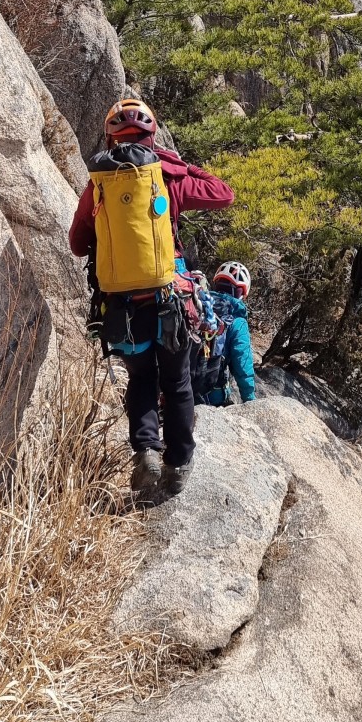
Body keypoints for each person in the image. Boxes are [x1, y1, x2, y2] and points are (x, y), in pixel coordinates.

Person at [69, 96, 235, 499]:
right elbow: (223, 193)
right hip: (169, 299)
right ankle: (178, 465)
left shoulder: (99, 184)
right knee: (177, 381)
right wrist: (177, 162)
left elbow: (77, 244)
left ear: (110, 138)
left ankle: (146, 450)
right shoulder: (167, 176)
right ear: (152, 135)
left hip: (122, 308)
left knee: (142, 377)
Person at [192, 261, 257, 407]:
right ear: (243, 293)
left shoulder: (198, 307)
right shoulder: (237, 322)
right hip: (212, 398)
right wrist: (250, 400)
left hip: (181, 388)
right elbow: (243, 365)